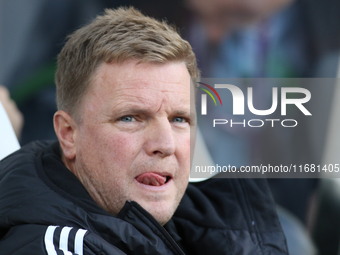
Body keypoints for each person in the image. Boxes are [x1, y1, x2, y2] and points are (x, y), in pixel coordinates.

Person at [0, 7, 288, 254]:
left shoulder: (216, 227)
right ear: (68, 133)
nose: (165, 144)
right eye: (131, 118)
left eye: (179, 120)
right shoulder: (51, 246)